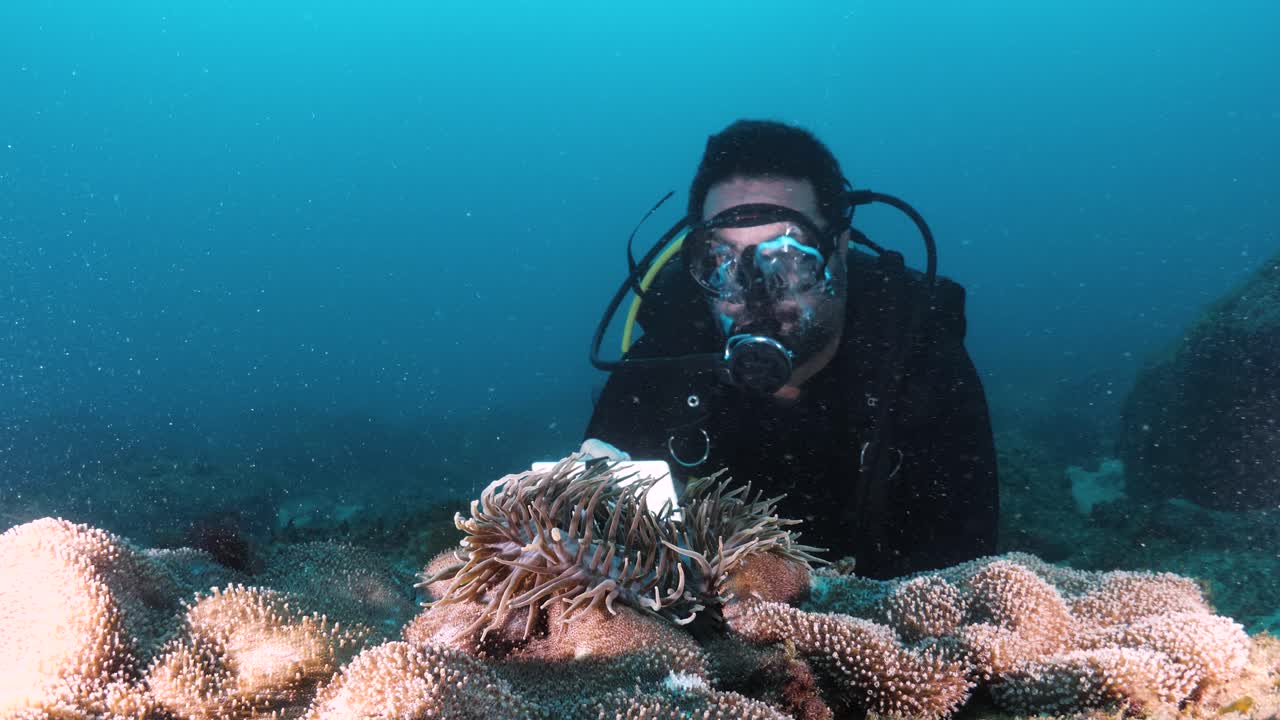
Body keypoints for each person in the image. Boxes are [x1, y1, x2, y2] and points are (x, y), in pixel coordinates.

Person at [583, 119, 998, 579]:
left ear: (839, 248)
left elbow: (964, 562)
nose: (753, 292)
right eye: (722, 261)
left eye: (788, 259)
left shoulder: (919, 364)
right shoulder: (656, 369)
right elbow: (588, 549)